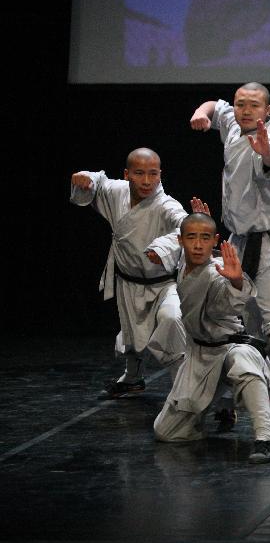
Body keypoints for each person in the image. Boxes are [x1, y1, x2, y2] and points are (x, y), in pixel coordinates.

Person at [189, 82, 270, 406]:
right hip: (239, 240)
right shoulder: (231, 120)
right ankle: (258, 377)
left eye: (254, 105)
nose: (245, 110)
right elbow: (216, 106)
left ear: (267, 111)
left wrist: (265, 151)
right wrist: (201, 112)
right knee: (246, 313)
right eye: (241, 104)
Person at [153, 213, 270, 464]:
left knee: (244, 362)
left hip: (229, 347)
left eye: (205, 238)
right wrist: (202, 223)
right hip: (200, 354)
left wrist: (236, 281)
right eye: (192, 237)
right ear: (181, 241)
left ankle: (264, 439)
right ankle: (217, 407)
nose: (198, 245)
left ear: (215, 240)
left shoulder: (216, 273)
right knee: (167, 432)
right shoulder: (184, 265)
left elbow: (227, 303)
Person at [70, 148, 187, 398]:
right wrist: (86, 177)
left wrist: (163, 247)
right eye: (139, 173)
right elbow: (98, 183)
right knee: (132, 332)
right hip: (128, 281)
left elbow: (186, 228)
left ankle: (183, 388)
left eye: (153, 174)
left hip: (163, 284)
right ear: (127, 174)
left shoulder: (166, 205)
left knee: (171, 318)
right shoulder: (118, 192)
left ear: (160, 174)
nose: (146, 181)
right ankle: (133, 378)